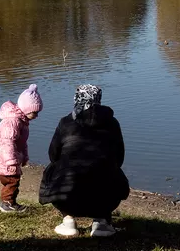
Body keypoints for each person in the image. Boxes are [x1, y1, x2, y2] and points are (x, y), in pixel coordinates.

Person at [39, 85, 129, 237]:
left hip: (67, 193)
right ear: (98, 99)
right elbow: (119, 157)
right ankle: (101, 222)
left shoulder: (66, 122)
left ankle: (68, 220)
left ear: (76, 98)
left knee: (53, 169)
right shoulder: (112, 123)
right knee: (111, 170)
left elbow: (53, 155)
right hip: (105, 194)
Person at [0, 84, 43, 213]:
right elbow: (7, 142)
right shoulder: (12, 122)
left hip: (7, 157)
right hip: (3, 157)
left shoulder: (22, 122)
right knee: (12, 181)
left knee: (10, 181)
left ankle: (8, 202)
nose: (37, 116)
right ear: (26, 109)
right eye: (35, 112)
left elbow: (22, 142)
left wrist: (25, 157)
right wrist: (11, 161)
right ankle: (7, 204)